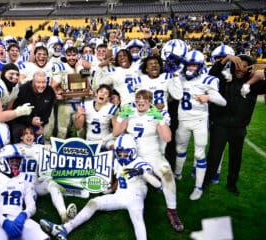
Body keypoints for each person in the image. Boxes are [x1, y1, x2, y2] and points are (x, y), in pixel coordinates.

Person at [39, 134, 161, 240]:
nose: (122, 156)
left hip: (135, 197)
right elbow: (120, 179)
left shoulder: (139, 163)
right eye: (120, 153)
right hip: (120, 195)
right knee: (94, 202)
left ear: (133, 151)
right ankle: (65, 228)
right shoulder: (117, 162)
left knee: (137, 218)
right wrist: (111, 189)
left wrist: (142, 172)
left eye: (125, 153)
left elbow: (157, 183)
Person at [112, 89, 184, 232]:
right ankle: (133, 202)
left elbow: (168, 138)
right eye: (138, 99)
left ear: (150, 101)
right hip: (133, 156)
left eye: (144, 99)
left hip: (152, 155)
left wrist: (160, 119)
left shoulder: (157, 114)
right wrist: (121, 117)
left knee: (168, 177)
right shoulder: (130, 112)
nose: (141, 102)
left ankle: (172, 210)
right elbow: (116, 133)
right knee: (131, 183)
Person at [204, 54, 266, 195]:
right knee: (214, 156)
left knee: (235, 157)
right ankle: (206, 182)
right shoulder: (224, 79)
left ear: (250, 68)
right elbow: (212, 73)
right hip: (220, 125)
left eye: (245, 66)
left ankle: (232, 184)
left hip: (239, 128)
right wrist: (227, 58)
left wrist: (262, 67)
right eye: (238, 65)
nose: (240, 69)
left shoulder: (254, 84)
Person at [173, 50, 227, 201]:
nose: (190, 68)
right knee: (180, 149)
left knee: (199, 154)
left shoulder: (208, 79)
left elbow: (223, 102)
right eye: (188, 65)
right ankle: (177, 174)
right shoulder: (180, 77)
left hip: (199, 122)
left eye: (194, 66)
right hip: (183, 120)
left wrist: (209, 97)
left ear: (200, 66)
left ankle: (198, 187)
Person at [0, 126, 77, 223]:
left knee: (52, 184)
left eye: (31, 133)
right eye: (26, 133)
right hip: (21, 184)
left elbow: (59, 152)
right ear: (21, 136)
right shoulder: (14, 148)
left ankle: (63, 215)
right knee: (22, 202)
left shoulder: (40, 147)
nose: (29, 136)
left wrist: (51, 149)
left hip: (36, 184)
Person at [0, 153, 49, 240]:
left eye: (18, 160)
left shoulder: (26, 178)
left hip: (19, 218)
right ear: (3, 161)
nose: (16, 163)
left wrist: (23, 215)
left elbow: (31, 206)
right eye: (12, 161)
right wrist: (4, 222)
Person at [7, 70, 55, 143]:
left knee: (40, 138)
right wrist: (30, 120)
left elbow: (47, 113)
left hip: (37, 123)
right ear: (33, 81)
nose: (41, 85)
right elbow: (14, 112)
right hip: (20, 121)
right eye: (38, 82)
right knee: (18, 133)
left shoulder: (50, 92)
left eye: (44, 82)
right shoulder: (22, 90)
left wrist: (42, 124)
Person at [74, 84, 118, 150]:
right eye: (101, 91)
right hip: (90, 140)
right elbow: (78, 127)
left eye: (106, 93)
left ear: (108, 98)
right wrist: (78, 115)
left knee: (115, 148)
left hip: (106, 140)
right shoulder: (86, 104)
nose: (102, 94)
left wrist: (104, 139)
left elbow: (116, 131)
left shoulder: (112, 108)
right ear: (96, 94)